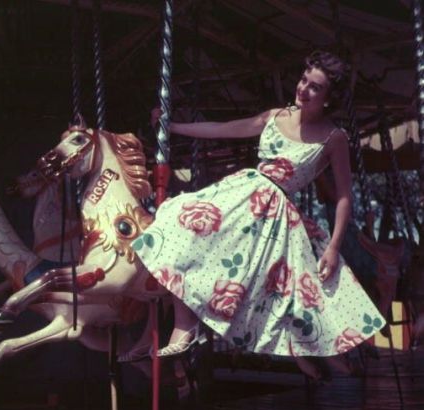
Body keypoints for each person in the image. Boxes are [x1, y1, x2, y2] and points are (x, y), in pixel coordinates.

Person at [121, 50, 385, 375]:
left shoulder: (334, 138)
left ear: (329, 98)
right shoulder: (275, 116)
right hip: (244, 193)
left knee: (289, 288)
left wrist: (333, 246)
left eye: (315, 87)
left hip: (274, 214)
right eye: (304, 80)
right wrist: (173, 125)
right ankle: (181, 324)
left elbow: (345, 196)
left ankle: (310, 353)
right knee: (176, 218)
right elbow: (223, 129)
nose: (303, 89)